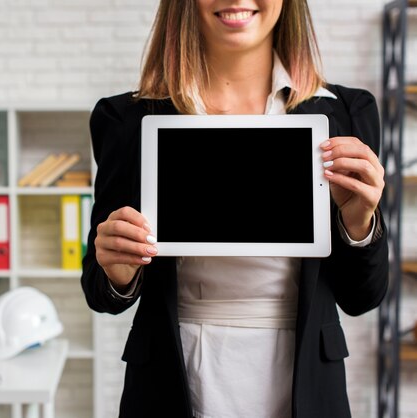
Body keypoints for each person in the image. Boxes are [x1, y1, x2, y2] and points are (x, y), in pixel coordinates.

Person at [80, 1, 389, 417]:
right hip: (174, 375)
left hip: (304, 382)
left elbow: (362, 297)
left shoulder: (347, 112)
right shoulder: (128, 119)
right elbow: (102, 294)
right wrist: (118, 270)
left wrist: (358, 223)